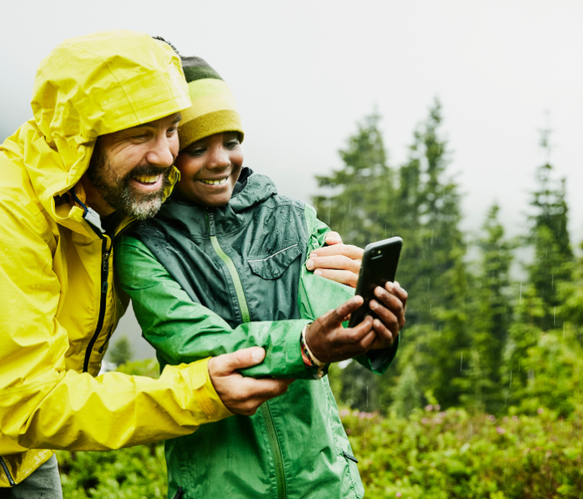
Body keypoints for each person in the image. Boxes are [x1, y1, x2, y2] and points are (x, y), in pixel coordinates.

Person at [0, 31, 314, 498]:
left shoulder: (126, 186)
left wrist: (319, 249)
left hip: (25, 441)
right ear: (81, 140)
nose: (163, 155)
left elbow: (228, 214)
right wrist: (197, 394)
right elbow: (31, 402)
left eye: (171, 129)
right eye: (139, 135)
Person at [116, 55, 408, 499]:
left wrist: (373, 329)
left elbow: (335, 318)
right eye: (197, 148)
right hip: (218, 487)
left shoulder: (292, 219)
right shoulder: (143, 247)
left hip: (326, 484)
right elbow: (198, 343)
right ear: (172, 155)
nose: (220, 162)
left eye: (231, 141)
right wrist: (307, 346)